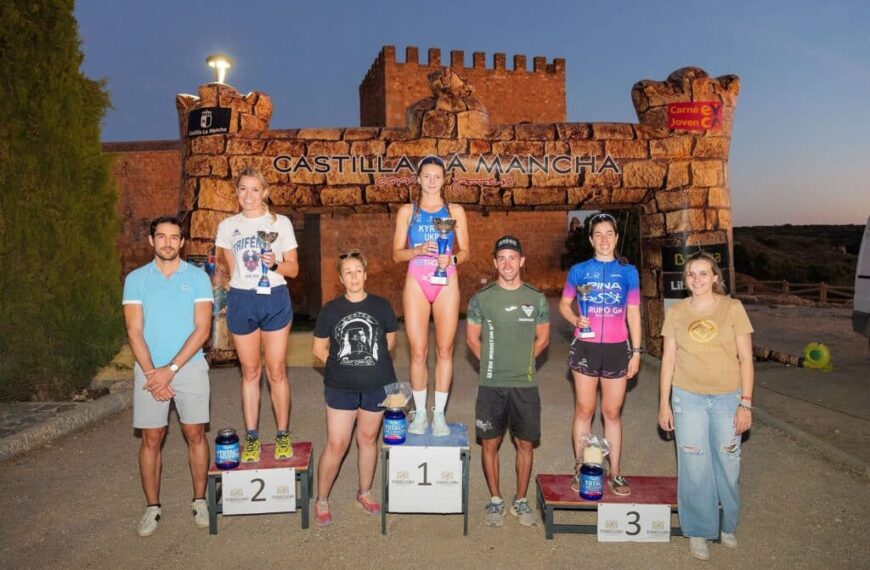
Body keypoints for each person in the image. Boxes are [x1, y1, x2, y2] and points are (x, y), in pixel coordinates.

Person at [658, 252, 754, 561]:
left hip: (728, 397)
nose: (697, 279)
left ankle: (728, 525)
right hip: (687, 397)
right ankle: (699, 529)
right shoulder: (676, 312)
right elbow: (668, 360)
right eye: (691, 274)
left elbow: (746, 359)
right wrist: (664, 404)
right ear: (685, 280)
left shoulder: (733, 308)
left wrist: (746, 404)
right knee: (694, 464)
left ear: (715, 277)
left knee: (728, 461)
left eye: (703, 273)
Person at [123, 216, 214, 537]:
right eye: (161, 237)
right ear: (151, 241)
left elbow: (202, 329)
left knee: (195, 434)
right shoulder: (135, 279)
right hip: (149, 369)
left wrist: (171, 370)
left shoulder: (199, 278)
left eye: (174, 237)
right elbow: (134, 331)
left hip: (188, 367)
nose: (168, 243)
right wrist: (153, 372)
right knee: (151, 439)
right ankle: (152, 507)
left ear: (182, 242)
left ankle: (200, 500)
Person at [215, 167, 299, 462]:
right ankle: (251, 437)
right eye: (242, 189)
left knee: (276, 371)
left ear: (265, 192)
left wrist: (274, 264)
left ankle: (283, 435)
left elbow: (294, 269)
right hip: (242, 299)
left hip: (274, 296)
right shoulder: (227, 226)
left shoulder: (281, 223)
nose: (248, 195)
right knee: (250, 372)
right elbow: (229, 268)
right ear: (236, 193)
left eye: (254, 189)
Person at [467, 236, 550, 528]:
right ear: (494, 263)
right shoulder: (481, 299)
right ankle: (496, 500)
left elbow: (543, 339)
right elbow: (472, 339)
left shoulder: (536, 298)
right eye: (501, 258)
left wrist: (523, 362)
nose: (507, 263)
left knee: (524, 444)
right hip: (491, 385)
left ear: (522, 261)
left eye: (512, 257)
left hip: (525, 385)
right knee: (490, 443)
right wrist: (492, 365)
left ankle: (520, 499)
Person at [312, 250, 399, 526]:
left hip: (377, 385)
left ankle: (364, 492)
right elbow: (318, 349)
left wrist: (368, 363)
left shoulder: (382, 306)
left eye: (358, 271)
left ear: (365, 274)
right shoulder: (331, 310)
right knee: (337, 444)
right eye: (347, 272)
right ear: (341, 278)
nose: (353, 276)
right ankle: (322, 499)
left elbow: (390, 342)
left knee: (368, 439)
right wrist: (342, 367)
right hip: (341, 387)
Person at [558, 212, 642, 496]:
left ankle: (615, 473)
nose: (604, 239)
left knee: (612, 412)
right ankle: (581, 468)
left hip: (618, 348)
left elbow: (633, 313)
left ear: (616, 238)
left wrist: (637, 351)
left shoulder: (629, 273)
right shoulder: (579, 271)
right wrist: (574, 320)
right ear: (591, 240)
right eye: (598, 235)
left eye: (609, 234)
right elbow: (564, 305)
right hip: (586, 346)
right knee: (584, 409)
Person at [391, 156, 469, 437]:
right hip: (417, 281)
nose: (432, 181)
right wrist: (418, 250)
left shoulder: (455, 211)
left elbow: (466, 252)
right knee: (419, 351)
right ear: (419, 178)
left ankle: (439, 415)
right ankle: (421, 414)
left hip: (446, 282)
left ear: (444, 179)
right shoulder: (407, 212)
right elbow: (396, 254)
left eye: (438, 176)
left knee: (445, 350)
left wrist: (453, 261)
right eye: (427, 176)